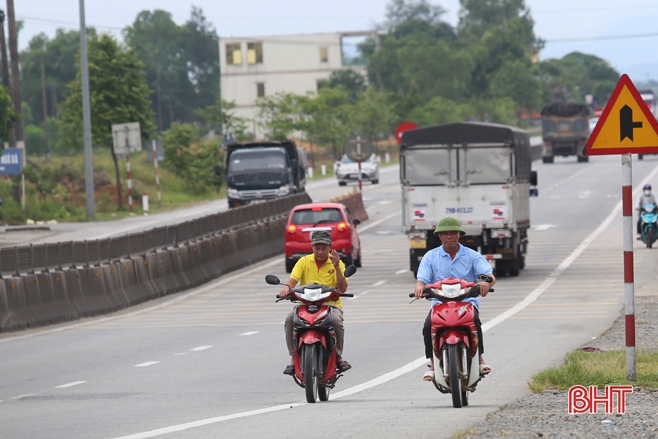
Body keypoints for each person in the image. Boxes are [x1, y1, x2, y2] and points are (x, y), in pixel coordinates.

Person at [413, 216, 496, 381]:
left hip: (466, 303)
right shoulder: (430, 257)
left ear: (459, 235)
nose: (449, 236)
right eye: (445, 234)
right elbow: (422, 279)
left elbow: (489, 276)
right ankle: (432, 364)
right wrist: (420, 287)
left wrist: (486, 283)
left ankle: (479, 359)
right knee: (428, 326)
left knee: (475, 323)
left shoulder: (472, 256)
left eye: (452, 233)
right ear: (439, 236)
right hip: (439, 303)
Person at [279, 230, 351, 375]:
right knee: (289, 319)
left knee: (336, 321)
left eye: (324, 248)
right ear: (312, 247)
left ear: (330, 247)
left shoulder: (337, 263)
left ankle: (338, 356)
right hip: (305, 304)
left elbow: (342, 288)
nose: (320, 251)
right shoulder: (303, 261)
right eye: (317, 248)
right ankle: (293, 357)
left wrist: (336, 267)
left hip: (330, 305)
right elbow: (292, 280)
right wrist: (286, 289)